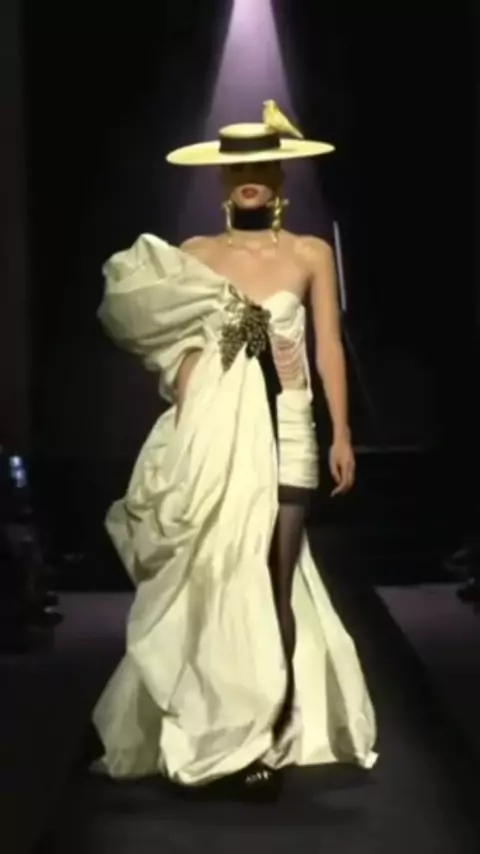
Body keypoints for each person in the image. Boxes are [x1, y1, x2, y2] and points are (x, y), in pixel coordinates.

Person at [92, 102, 377, 796]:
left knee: (275, 578)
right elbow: (170, 342)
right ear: (223, 179)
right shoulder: (193, 256)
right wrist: (192, 397)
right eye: (236, 167)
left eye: (261, 165)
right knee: (223, 572)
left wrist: (341, 432)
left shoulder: (310, 254)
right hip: (220, 436)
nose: (249, 177)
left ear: (279, 175)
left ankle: (271, 734)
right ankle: (224, 727)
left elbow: (328, 347)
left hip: (290, 426)